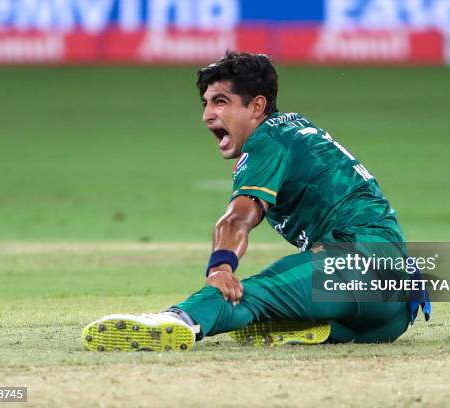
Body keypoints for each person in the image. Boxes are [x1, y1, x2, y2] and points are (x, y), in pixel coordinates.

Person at [82, 51, 429, 352]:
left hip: (355, 266)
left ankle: (177, 319)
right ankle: (312, 326)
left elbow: (237, 218)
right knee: (287, 299)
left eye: (220, 101)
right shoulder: (295, 130)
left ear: (257, 105)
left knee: (252, 293)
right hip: (393, 304)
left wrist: (220, 266)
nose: (206, 115)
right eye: (205, 103)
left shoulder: (268, 139)